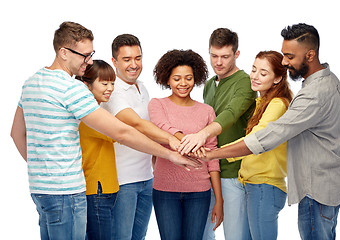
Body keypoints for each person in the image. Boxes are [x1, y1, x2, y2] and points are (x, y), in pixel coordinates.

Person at [10, 21, 201, 240]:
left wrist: (44, 171)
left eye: (91, 54)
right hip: (67, 192)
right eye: (84, 55)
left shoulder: (31, 82)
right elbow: (122, 132)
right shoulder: (71, 88)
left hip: (40, 189)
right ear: (63, 52)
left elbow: (16, 134)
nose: (89, 61)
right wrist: (169, 153)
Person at [196, 23, 340, 240]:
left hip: (314, 187)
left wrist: (212, 153)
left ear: (310, 55)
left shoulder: (312, 94)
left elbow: (264, 138)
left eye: (289, 56)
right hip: (323, 183)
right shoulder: (324, 83)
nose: (285, 62)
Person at [178, 28, 257, 240]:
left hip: (234, 173)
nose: (218, 62)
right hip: (208, 172)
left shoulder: (246, 83)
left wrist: (201, 135)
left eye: (225, 56)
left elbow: (230, 115)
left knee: (235, 236)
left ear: (237, 54)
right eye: (214, 56)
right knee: (203, 234)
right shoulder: (210, 85)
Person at [101, 34, 182, 240]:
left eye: (138, 58)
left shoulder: (142, 87)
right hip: (122, 182)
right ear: (114, 62)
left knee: (139, 237)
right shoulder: (112, 90)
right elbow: (136, 124)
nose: (133, 64)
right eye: (127, 59)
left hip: (146, 179)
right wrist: (172, 139)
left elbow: (152, 126)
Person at [148, 49, 223, 240]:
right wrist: (191, 142)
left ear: (196, 78)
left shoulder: (206, 111)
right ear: (167, 79)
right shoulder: (157, 104)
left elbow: (213, 155)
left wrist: (219, 199)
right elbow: (164, 128)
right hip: (165, 190)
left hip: (199, 191)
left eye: (188, 78)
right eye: (177, 78)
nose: (183, 83)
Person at [222, 50, 293, 239]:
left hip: (265, 187)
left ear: (278, 78)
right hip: (253, 185)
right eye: (253, 70)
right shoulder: (262, 102)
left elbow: (256, 138)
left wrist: (217, 153)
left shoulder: (277, 104)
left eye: (263, 73)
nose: (254, 76)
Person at [75, 60, 117, 240]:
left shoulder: (97, 112)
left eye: (112, 83)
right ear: (87, 85)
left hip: (106, 188)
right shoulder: (90, 116)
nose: (110, 88)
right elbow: (121, 133)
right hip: (96, 190)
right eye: (104, 83)